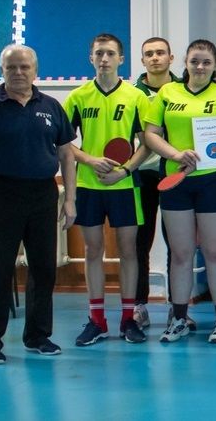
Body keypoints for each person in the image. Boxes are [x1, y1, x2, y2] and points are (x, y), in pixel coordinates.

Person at [0, 44, 77, 364]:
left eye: (24, 67)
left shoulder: (51, 107)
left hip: (43, 195)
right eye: (11, 67)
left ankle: (38, 336)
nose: (18, 72)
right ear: (1, 70)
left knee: (44, 269)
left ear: (35, 71)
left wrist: (70, 199)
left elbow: (66, 154)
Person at [143, 39, 216, 344]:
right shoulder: (167, 93)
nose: (200, 67)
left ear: (215, 66)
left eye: (206, 62)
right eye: (194, 61)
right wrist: (176, 154)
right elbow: (151, 134)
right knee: (181, 254)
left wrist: (205, 155)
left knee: (214, 252)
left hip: (213, 181)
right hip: (176, 182)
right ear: (185, 63)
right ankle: (179, 319)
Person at [64, 33, 151, 346]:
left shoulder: (136, 97)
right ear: (91, 58)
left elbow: (147, 144)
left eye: (110, 53)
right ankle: (97, 321)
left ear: (121, 59)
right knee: (93, 251)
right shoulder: (77, 97)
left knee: (129, 251)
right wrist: (89, 159)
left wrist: (124, 171)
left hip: (124, 186)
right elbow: (63, 143)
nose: (104, 59)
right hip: (88, 185)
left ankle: (128, 319)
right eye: (99, 53)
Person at [131, 36, 189, 331]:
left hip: (174, 174)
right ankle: (139, 307)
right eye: (149, 54)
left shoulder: (182, 89)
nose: (155, 58)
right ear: (142, 60)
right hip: (141, 175)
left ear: (171, 58)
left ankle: (176, 309)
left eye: (160, 53)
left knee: (177, 245)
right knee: (139, 243)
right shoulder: (132, 94)